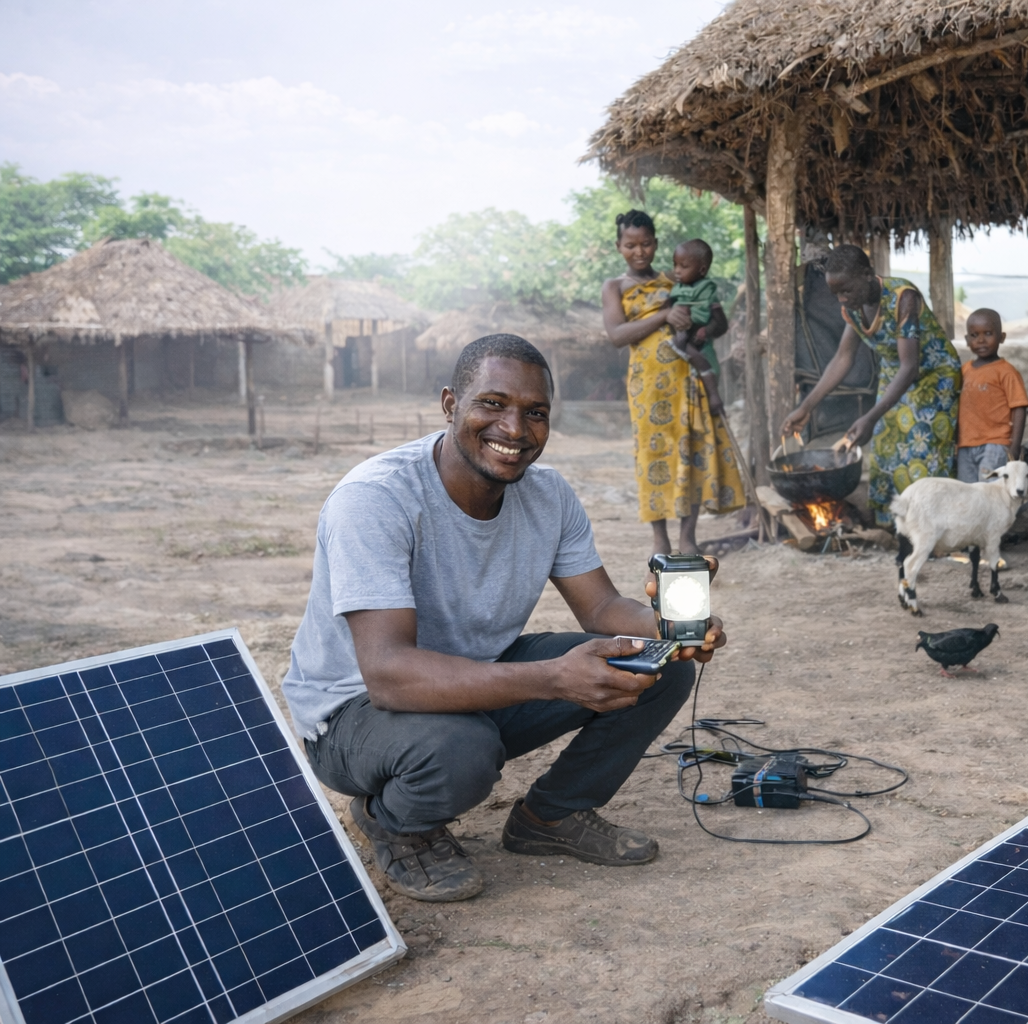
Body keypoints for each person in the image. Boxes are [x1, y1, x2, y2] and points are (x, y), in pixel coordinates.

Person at [282, 334, 726, 902]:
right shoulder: (375, 499)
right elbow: (388, 674)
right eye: (492, 404)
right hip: (355, 712)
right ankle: (392, 821)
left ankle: (549, 817)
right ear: (450, 404)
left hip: (475, 677)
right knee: (461, 749)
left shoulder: (548, 494)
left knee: (656, 668)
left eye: (535, 413)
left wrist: (670, 626)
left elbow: (601, 608)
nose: (515, 430)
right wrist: (551, 677)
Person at [781, 244, 963, 526]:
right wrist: (805, 407)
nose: (842, 299)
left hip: (933, 377)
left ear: (866, 274)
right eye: (836, 294)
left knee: (921, 449)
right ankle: (894, 526)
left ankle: (931, 527)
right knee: (887, 449)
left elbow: (911, 366)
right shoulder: (852, 310)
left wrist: (870, 416)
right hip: (896, 375)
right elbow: (842, 359)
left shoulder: (904, 298)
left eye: (846, 291)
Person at [601, 210, 744, 555]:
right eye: (631, 245)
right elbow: (618, 335)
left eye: (647, 243)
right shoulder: (614, 287)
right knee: (653, 456)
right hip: (647, 387)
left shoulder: (679, 280)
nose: (640, 252)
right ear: (619, 246)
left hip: (686, 380)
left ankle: (688, 536)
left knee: (689, 452)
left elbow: (719, 321)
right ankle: (660, 538)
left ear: (656, 243)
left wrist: (701, 328)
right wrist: (664, 314)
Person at [957, 308, 1028, 483]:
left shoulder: (1006, 372)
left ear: (1001, 337)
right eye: (974, 335)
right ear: (967, 340)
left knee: (989, 493)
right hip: (965, 445)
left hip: (995, 444)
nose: (981, 340)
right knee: (968, 493)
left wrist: (1015, 446)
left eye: (988, 333)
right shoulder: (964, 370)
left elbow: (1019, 408)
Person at [668, 239, 725, 415]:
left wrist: (706, 330)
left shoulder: (706, 291)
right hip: (679, 343)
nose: (677, 270)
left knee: (703, 363)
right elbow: (665, 314)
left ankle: (714, 397)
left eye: (683, 266)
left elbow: (720, 323)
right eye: (675, 265)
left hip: (698, 343)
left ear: (701, 270)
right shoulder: (674, 289)